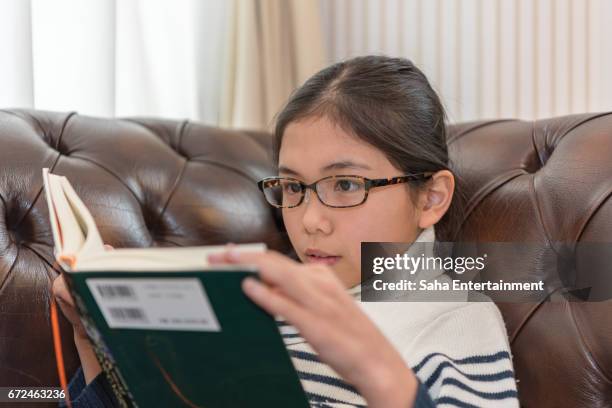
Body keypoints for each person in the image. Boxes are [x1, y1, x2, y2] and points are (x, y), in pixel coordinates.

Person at [53, 55, 519, 407]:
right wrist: (94, 341)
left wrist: (378, 372)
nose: (310, 219)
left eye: (345, 184)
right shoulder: (254, 301)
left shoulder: (456, 320)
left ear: (431, 198)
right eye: (294, 186)